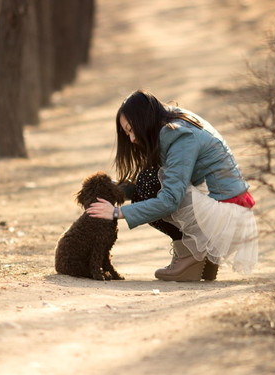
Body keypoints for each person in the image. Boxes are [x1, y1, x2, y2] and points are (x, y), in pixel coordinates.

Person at [86, 89, 258, 281]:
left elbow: (170, 200)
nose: (132, 139)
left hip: (226, 216)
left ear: (144, 119)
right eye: (128, 134)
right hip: (222, 208)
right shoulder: (173, 123)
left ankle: (189, 254)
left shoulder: (179, 136)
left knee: (149, 182)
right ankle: (203, 258)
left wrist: (116, 213)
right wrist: (105, 189)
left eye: (131, 130)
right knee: (149, 181)